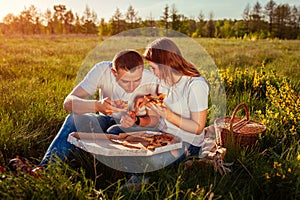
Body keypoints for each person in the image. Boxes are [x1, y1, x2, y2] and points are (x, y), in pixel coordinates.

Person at [9, 49, 160, 174]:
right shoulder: (102, 70)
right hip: (105, 120)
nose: (132, 87)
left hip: (134, 128)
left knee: (114, 131)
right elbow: (68, 103)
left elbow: (155, 120)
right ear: (114, 72)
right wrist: (97, 105)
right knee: (74, 119)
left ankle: (125, 173)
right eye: (126, 81)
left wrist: (137, 120)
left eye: (137, 80)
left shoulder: (151, 80)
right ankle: (45, 170)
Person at [118, 37, 209, 190]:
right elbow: (154, 119)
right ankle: (139, 177)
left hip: (187, 144)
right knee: (116, 132)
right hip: (162, 136)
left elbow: (198, 127)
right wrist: (138, 119)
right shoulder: (163, 81)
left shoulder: (195, 85)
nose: (152, 73)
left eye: (153, 68)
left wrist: (168, 115)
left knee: (153, 159)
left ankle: (141, 180)